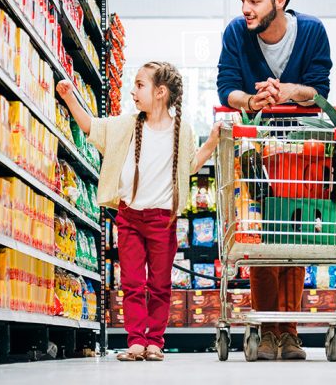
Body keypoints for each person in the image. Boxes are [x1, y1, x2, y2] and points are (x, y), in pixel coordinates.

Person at [57, 62, 220, 362]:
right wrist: (69, 98)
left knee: (159, 284)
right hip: (129, 217)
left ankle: (155, 341)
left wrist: (210, 143)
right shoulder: (127, 126)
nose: (133, 91)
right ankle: (136, 341)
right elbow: (91, 127)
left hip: (163, 220)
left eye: (140, 85)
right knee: (132, 282)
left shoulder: (182, 131)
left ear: (160, 92)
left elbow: (188, 168)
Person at [216, 0, 333, 360]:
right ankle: (267, 328)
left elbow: (319, 90)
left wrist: (286, 92)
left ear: (279, 0)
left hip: (303, 148)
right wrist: (250, 100)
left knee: (295, 234)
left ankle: (290, 331)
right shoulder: (236, 33)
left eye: (254, 0)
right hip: (257, 147)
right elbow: (226, 86)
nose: (245, 8)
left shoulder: (313, 32)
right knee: (263, 236)